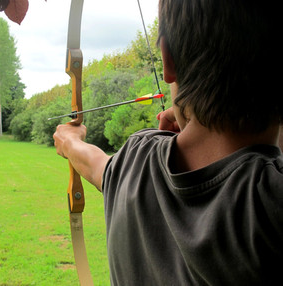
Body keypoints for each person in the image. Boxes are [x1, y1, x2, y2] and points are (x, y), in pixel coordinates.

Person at [53, 0, 283, 284]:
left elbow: (94, 162)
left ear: (167, 58)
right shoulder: (270, 201)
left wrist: (68, 140)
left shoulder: (137, 159)